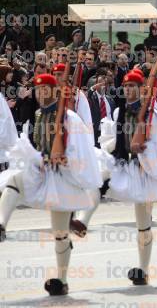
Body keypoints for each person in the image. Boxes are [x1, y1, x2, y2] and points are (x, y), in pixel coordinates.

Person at [73, 69, 157, 285]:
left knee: (143, 223)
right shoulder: (119, 112)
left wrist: (143, 151)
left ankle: (143, 270)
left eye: (133, 86)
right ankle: (82, 222)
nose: (129, 89)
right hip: (123, 164)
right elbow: (113, 140)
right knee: (97, 179)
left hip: (145, 170)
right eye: (126, 86)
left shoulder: (154, 116)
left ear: (142, 89)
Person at [0, 73, 102, 295]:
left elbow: (80, 147)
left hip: (63, 177)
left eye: (45, 89)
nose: (41, 94)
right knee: (13, 180)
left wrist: (65, 159)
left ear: (55, 91)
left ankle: (61, 280)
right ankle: (1, 225)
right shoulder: (37, 114)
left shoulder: (70, 118)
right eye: (38, 90)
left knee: (60, 233)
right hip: (41, 172)